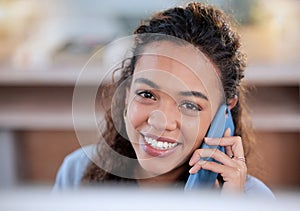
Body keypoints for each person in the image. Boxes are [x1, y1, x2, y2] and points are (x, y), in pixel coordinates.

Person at [53, 2, 274, 198]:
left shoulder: (250, 200)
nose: (161, 122)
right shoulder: (77, 173)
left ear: (222, 114)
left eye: (189, 105)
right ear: (127, 93)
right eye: (147, 94)